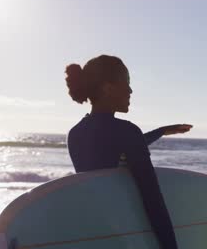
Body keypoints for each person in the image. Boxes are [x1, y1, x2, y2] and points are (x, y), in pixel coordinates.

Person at [65, 54, 192, 249]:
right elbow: (153, 202)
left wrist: (161, 131)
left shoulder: (75, 134)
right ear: (108, 88)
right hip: (125, 237)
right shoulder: (127, 132)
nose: (131, 90)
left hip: (94, 234)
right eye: (126, 82)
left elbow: (112, 149)